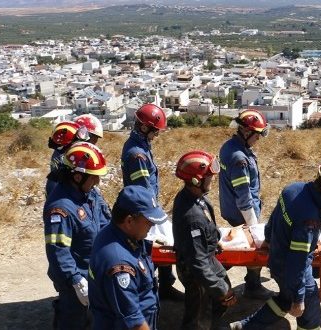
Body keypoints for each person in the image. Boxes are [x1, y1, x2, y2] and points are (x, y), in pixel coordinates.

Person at [229, 160, 321, 330]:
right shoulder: (309, 219)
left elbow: (274, 218)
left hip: (277, 260)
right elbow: (298, 260)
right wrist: (299, 298)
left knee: (284, 301)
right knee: (310, 318)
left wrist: (268, 239)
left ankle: (243, 327)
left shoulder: (294, 189)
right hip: (293, 272)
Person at [43, 142, 110, 329]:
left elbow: (105, 221)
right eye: (94, 178)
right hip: (75, 279)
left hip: (93, 271)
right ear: (78, 176)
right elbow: (58, 251)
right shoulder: (60, 208)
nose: (97, 182)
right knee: (73, 321)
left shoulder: (89, 194)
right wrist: (75, 280)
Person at [120, 103, 184, 301]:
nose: (156, 135)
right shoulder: (137, 154)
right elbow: (143, 188)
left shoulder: (141, 147)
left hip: (147, 207)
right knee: (152, 250)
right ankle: (148, 291)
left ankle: (165, 285)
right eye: (155, 131)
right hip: (143, 210)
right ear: (145, 128)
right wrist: (154, 215)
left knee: (160, 245)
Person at [172, 150, 238, 329]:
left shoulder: (196, 198)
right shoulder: (192, 217)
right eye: (209, 176)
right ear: (196, 180)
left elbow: (209, 225)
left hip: (206, 259)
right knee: (199, 316)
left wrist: (214, 240)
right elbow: (198, 263)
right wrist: (220, 289)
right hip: (197, 273)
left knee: (220, 298)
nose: (212, 179)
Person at [89, 185, 168, 330]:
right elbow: (133, 321)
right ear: (129, 221)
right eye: (148, 221)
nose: (151, 226)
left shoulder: (119, 233)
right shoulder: (118, 264)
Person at [218, 109, 273, 300]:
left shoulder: (229, 147)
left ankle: (215, 281)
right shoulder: (240, 158)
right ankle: (251, 286)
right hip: (241, 212)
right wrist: (253, 225)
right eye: (257, 135)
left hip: (230, 208)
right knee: (248, 250)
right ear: (247, 132)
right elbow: (243, 196)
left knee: (235, 249)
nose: (258, 140)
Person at [45, 121, 90, 196]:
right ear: (67, 145)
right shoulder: (64, 165)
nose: (82, 147)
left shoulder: (65, 158)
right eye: (79, 143)